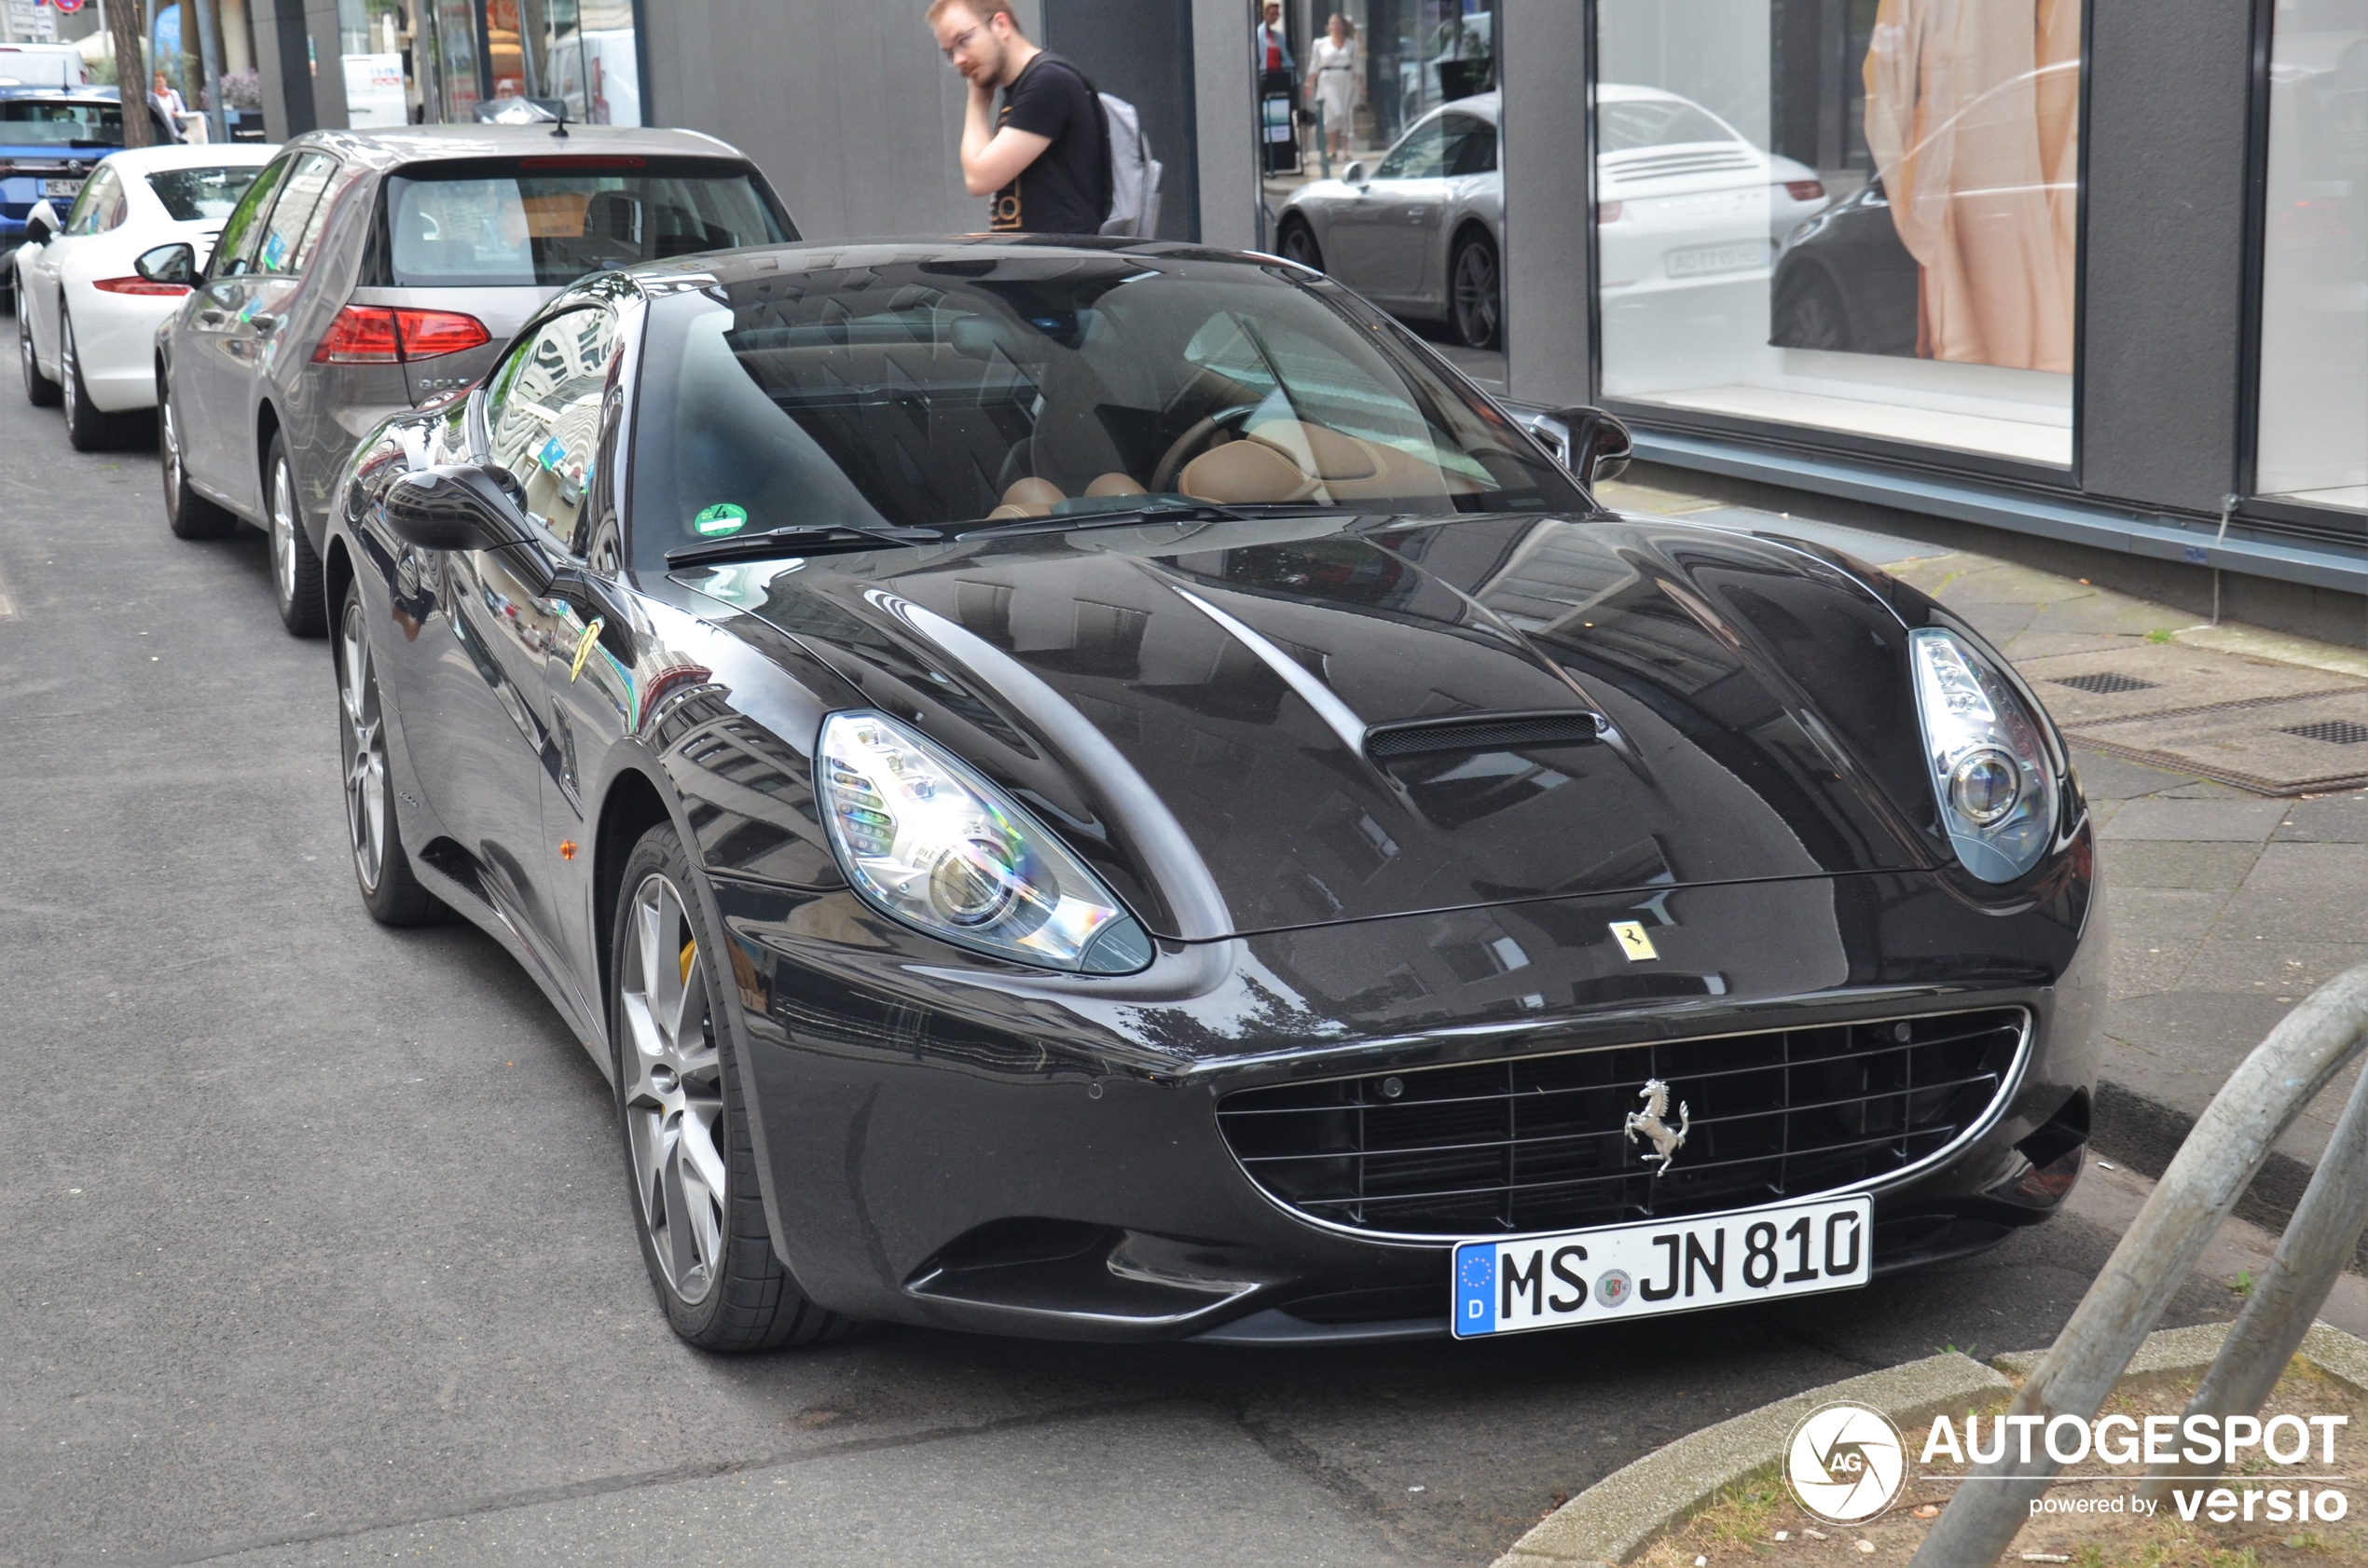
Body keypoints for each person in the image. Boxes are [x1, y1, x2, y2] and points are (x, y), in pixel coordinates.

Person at [927, 0, 1111, 235]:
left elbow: (979, 178)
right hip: (1040, 261)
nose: (958, 59)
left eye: (963, 40)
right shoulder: (1024, 87)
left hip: (1062, 264)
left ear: (1001, 25)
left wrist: (977, 102)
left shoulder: (1048, 82)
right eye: (949, 52)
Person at [1305, 14, 1359, 165]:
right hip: (1327, 79)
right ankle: (1331, 147)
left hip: (1346, 79)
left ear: (1343, 26)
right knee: (1336, 112)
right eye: (1332, 24)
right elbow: (1314, 65)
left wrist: (1361, 85)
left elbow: (1356, 65)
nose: (1335, 27)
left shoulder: (1351, 44)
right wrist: (1309, 83)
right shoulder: (1320, 44)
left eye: (1338, 24)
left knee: (1345, 115)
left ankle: (1343, 151)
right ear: (1328, 26)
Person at [151, 70, 203, 143]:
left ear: (165, 81)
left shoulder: (173, 94)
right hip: (161, 132)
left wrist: (177, 114)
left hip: (175, 132)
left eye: (160, 81)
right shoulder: (153, 97)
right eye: (156, 82)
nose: (159, 84)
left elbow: (182, 110)